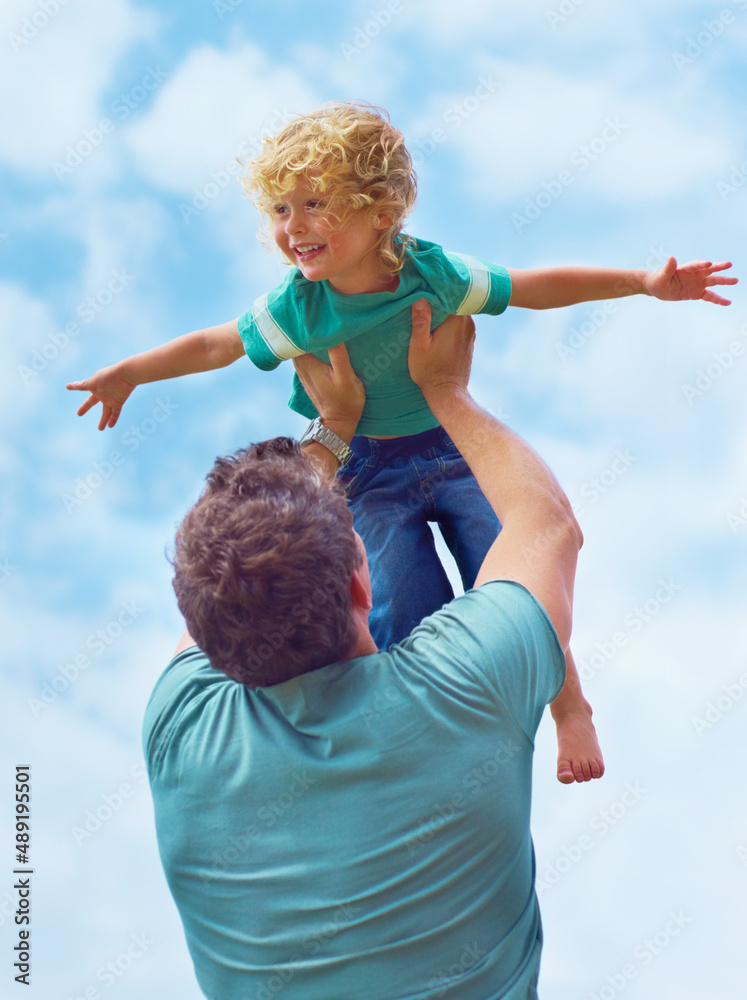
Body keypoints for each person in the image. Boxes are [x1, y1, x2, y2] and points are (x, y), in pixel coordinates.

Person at [69, 102, 736, 783]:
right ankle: (422, 742)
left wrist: (644, 285)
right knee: (401, 599)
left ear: (379, 210)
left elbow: (531, 286)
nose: (289, 228)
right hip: (366, 471)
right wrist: (132, 373)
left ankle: (569, 708)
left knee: (512, 568)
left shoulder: (433, 275)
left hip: (452, 452)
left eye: (313, 204)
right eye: (278, 210)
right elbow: (215, 344)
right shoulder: (297, 307)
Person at [144, 303, 583, 999]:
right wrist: (445, 390)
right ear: (359, 578)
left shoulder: (182, 727)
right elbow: (545, 523)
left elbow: (227, 579)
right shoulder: (460, 685)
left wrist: (333, 432)